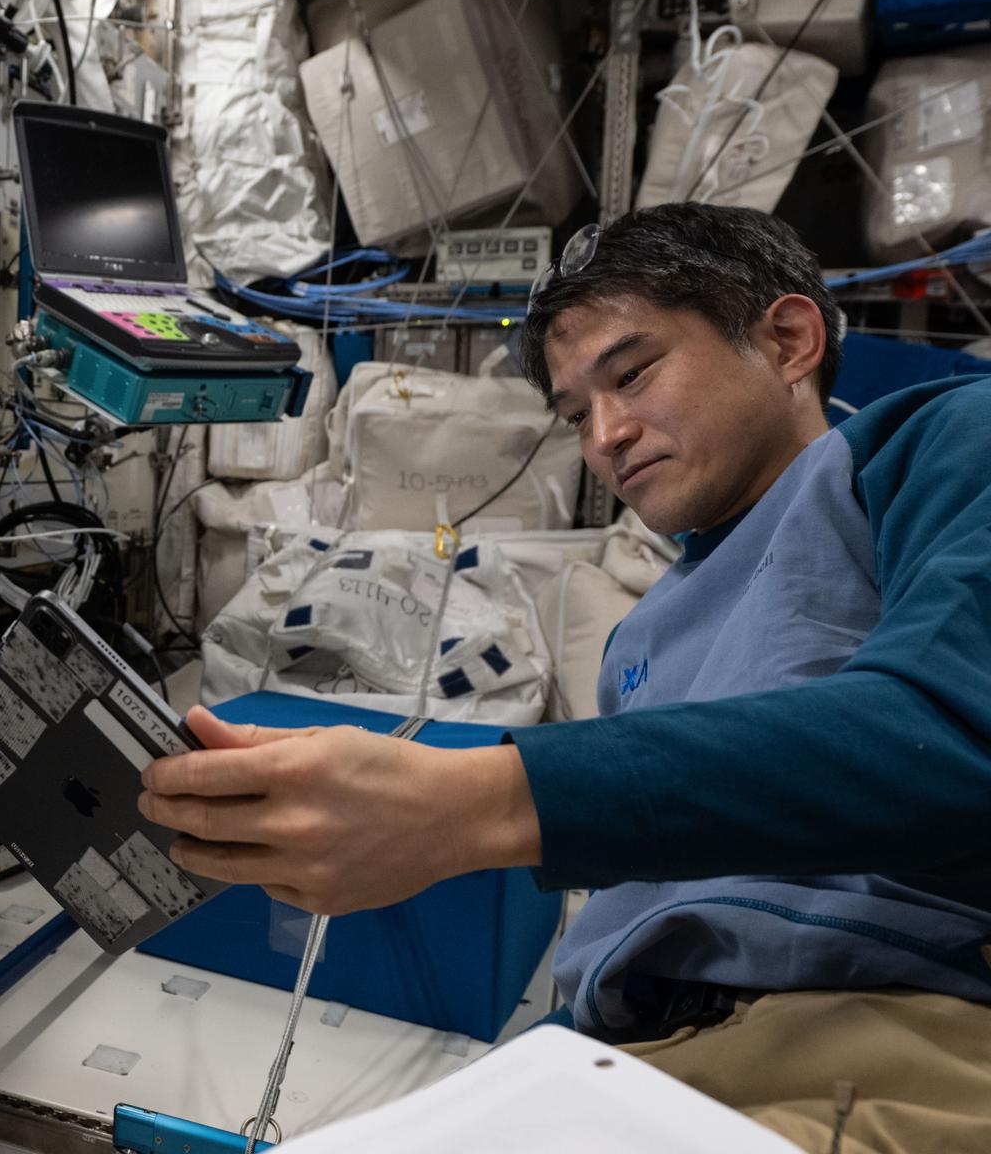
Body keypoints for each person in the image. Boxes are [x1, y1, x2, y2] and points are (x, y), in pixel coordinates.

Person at [138, 203, 991, 1150]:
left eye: (633, 375)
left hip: (881, 1027)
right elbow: (629, 932)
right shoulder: (647, 632)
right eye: (577, 413)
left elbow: (950, 737)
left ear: (788, 339)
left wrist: (479, 802)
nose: (605, 437)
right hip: (634, 1052)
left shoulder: (940, 443)